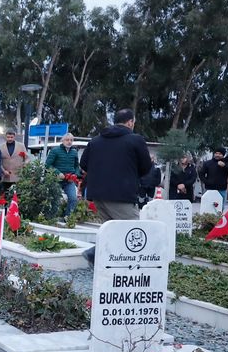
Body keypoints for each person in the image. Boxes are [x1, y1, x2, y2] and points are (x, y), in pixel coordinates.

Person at [79, 109, 152, 266]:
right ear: (130, 122)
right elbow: (146, 167)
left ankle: (108, 264)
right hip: (122, 194)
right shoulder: (135, 140)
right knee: (133, 231)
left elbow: (83, 164)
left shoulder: (96, 140)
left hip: (97, 194)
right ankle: (95, 253)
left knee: (113, 230)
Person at [45, 133, 81, 217]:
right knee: (55, 199)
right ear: (62, 140)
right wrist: (57, 173)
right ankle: (52, 217)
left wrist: (75, 175)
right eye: (67, 140)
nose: (69, 142)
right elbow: (48, 165)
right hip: (56, 180)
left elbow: (76, 166)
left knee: (73, 198)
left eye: (71, 140)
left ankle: (68, 217)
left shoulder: (74, 152)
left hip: (69, 180)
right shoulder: (55, 150)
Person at [0, 130, 27, 194]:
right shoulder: (0, 147)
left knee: (17, 195)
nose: (10, 139)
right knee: (5, 196)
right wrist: (3, 171)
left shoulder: (21, 146)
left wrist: (25, 165)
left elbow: (27, 158)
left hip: (18, 176)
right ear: (5, 137)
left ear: (14, 137)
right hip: (5, 176)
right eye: (8, 137)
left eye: (11, 137)